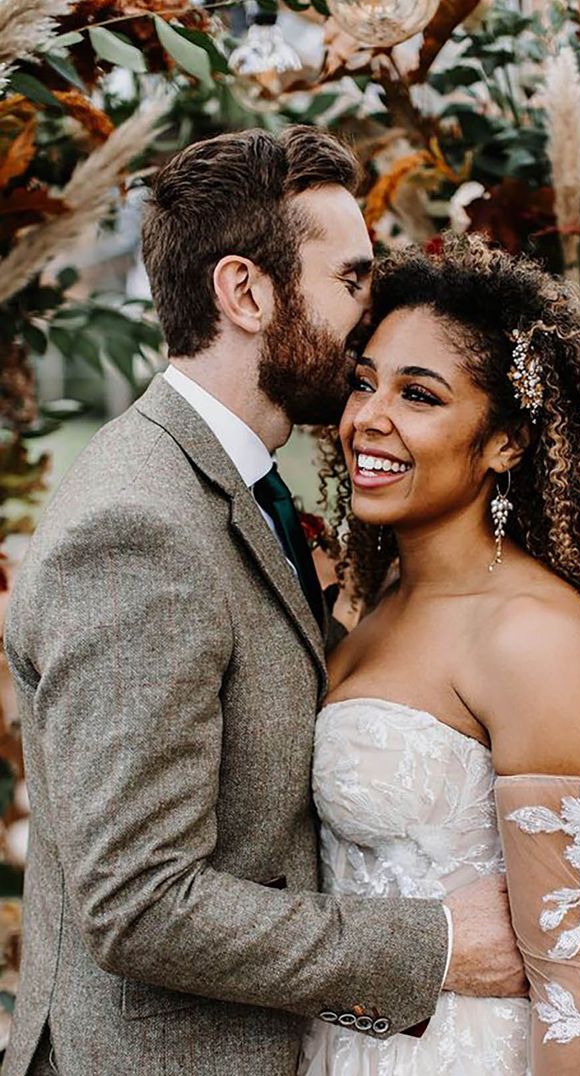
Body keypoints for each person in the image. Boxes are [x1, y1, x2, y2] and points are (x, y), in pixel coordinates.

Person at [2, 131, 525, 1076]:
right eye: (353, 281)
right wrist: (439, 945)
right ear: (247, 293)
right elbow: (141, 902)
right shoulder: (139, 527)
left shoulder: (236, 493)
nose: (373, 319)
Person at [299, 234, 580, 1075]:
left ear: (506, 444)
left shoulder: (534, 639)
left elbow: (576, 1000)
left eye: (419, 395)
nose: (368, 419)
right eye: (363, 382)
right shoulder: (377, 606)